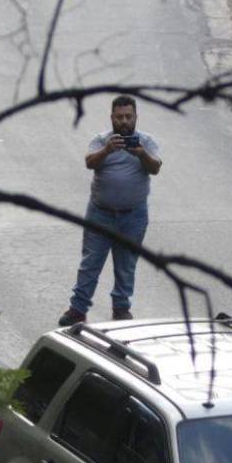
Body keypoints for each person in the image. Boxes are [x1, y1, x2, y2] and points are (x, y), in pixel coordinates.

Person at [58, 96, 162, 326]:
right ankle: (78, 308)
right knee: (90, 263)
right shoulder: (102, 140)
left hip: (133, 216)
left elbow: (155, 167)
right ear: (112, 117)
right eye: (119, 117)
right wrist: (107, 150)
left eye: (128, 117)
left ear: (136, 117)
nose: (124, 122)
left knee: (126, 265)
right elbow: (89, 162)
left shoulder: (145, 142)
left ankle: (121, 308)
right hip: (100, 214)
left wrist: (141, 154)